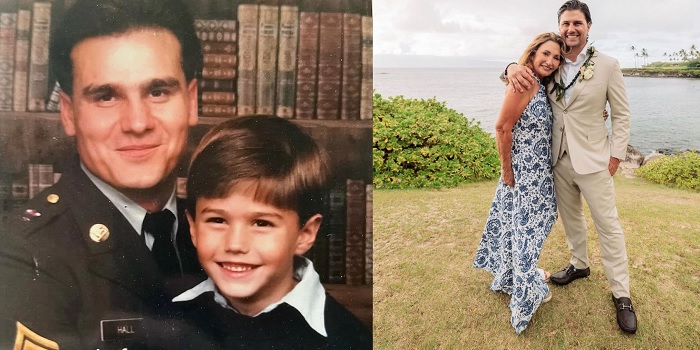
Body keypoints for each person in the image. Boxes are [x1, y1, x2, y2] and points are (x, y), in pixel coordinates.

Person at [0, 0, 206, 348]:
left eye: (157, 92)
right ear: (68, 114)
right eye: (106, 96)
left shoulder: (223, 232)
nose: (137, 123)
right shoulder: (21, 254)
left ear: (191, 101)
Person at [164, 115, 372, 349]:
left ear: (304, 235)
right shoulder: (167, 320)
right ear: (193, 227)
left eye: (261, 223)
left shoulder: (348, 340)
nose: (235, 244)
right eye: (218, 220)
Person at [503, 0, 636, 334]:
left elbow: (621, 114)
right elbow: (526, 76)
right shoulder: (553, 61)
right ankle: (579, 264)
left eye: (577, 23)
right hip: (557, 159)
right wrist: (508, 67)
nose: (571, 29)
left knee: (608, 226)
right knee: (571, 218)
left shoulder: (608, 65)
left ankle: (621, 293)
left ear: (588, 26)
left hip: (594, 161)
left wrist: (616, 156)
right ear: (559, 27)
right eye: (565, 23)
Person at [473, 32, 565, 334]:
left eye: (556, 58)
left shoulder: (540, 84)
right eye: (546, 54)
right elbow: (502, 127)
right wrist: (507, 170)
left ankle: (517, 275)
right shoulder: (524, 81)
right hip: (523, 174)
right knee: (527, 233)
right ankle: (527, 292)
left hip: (539, 173)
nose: (551, 61)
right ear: (534, 53)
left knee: (526, 228)